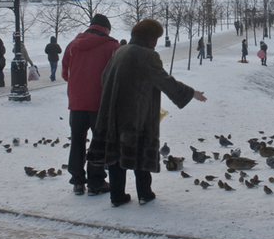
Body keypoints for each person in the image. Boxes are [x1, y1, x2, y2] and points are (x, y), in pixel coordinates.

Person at [88, 18, 207, 207]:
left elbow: (104, 78)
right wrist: (191, 93)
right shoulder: (146, 55)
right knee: (139, 151)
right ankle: (145, 193)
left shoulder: (120, 51)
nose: (157, 42)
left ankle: (117, 197)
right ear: (150, 38)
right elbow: (165, 81)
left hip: (113, 113)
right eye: (156, 38)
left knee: (117, 155)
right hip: (136, 114)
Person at [62, 14, 120, 197]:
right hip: (100, 103)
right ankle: (96, 182)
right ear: (106, 29)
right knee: (99, 142)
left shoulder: (72, 46)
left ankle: (78, 182)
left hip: (76, 102)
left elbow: (65, 74)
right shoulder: (112, 47)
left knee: (77, 140)